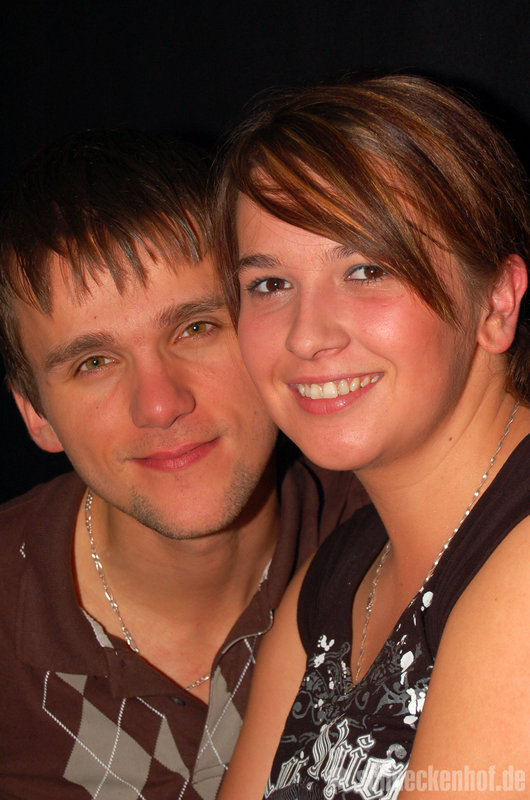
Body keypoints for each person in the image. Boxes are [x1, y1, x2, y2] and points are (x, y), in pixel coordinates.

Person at [0, 129, 368, 800]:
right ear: (36, 414)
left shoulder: (396, 542)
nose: (161, 405)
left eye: (195, 328)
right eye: (93, 362)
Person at [213, 74, 530, 799]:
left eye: (366, 269)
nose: (307, 336)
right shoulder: (341, 571)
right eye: (269, 284)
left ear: (497, 301)